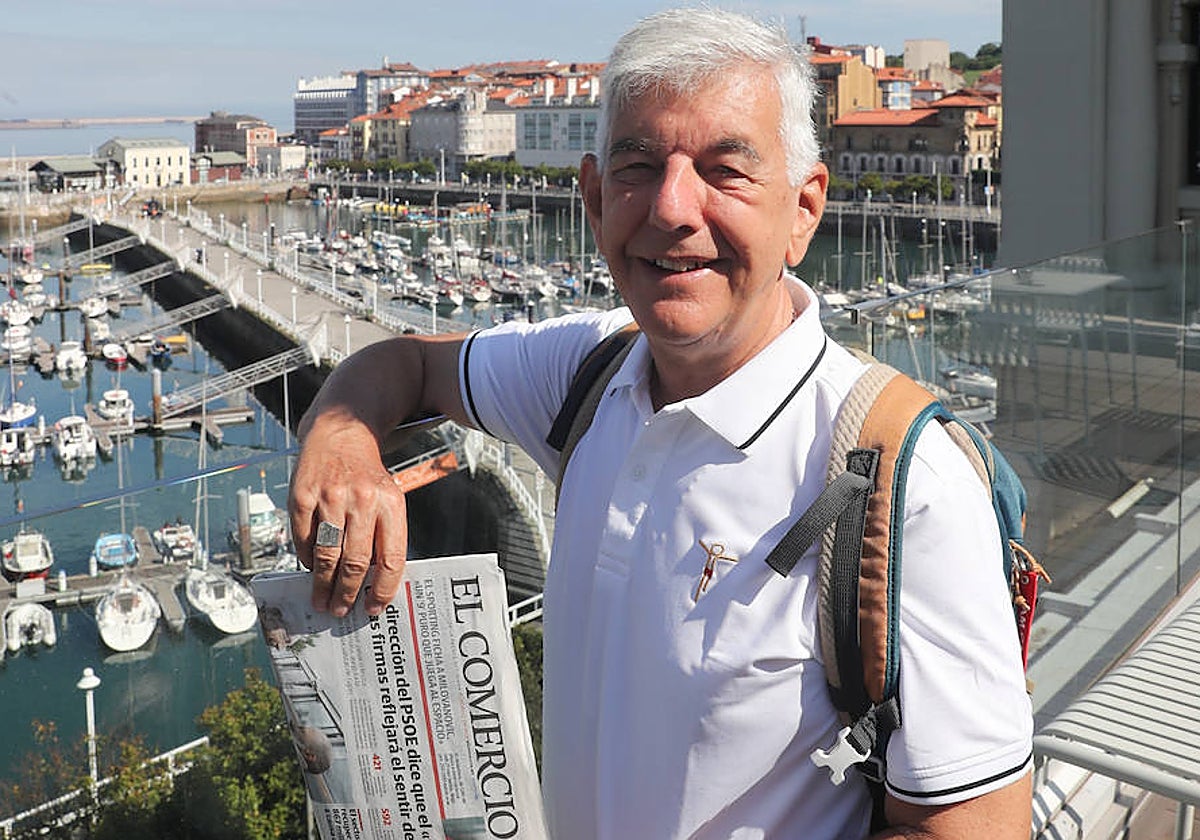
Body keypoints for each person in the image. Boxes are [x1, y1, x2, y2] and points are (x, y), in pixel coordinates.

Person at [288, 8, 1033, 838]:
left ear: (803, 210)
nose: (673, 208)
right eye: (639, 166)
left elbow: (970, 826)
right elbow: (408, 364)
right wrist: (342, 439)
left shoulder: (907, 485)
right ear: (594, 197)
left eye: (725, 170)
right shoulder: (587, 371)